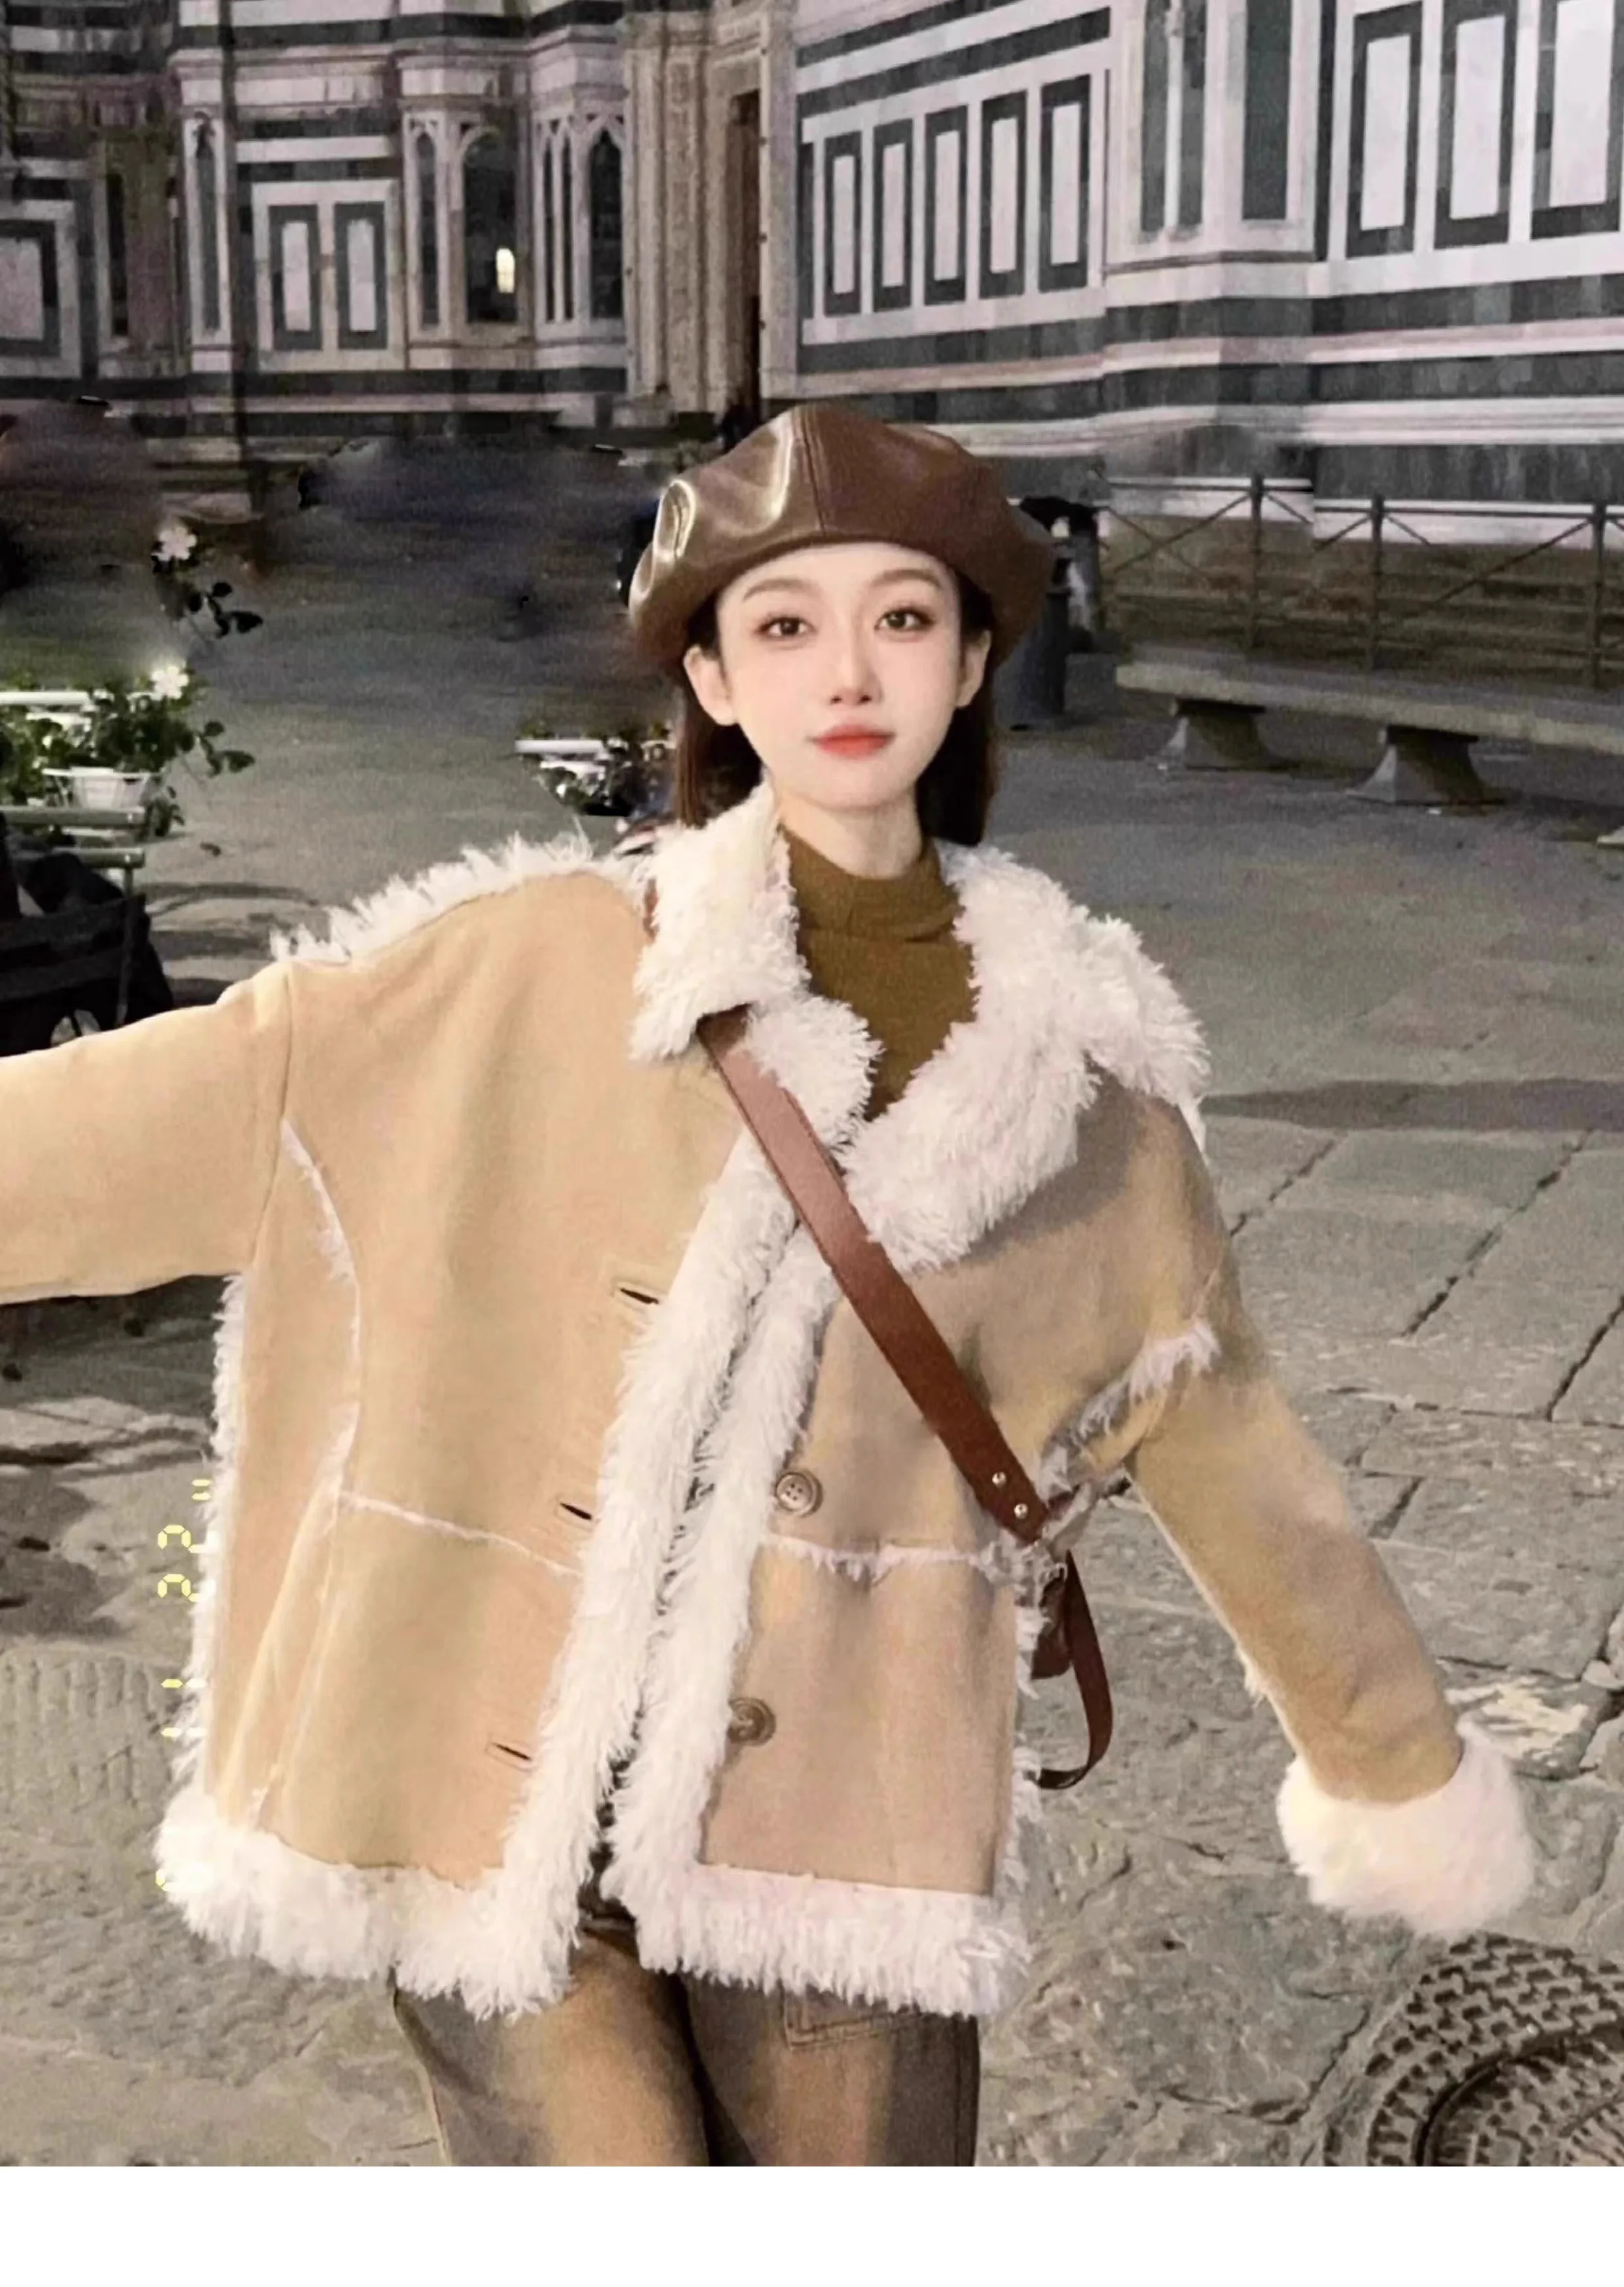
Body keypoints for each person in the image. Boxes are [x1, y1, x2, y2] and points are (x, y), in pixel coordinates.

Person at [0, 402, 1534, 2167]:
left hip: (840, 1834)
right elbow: (145, 1122)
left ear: (972, 661)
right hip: (486, 1793)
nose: (849, 672)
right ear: (714, 679)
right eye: (786, 624)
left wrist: (1396, 1768)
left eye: (904, 617)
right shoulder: (513, 969)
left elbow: (1242, 1459)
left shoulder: (1095, 1112)